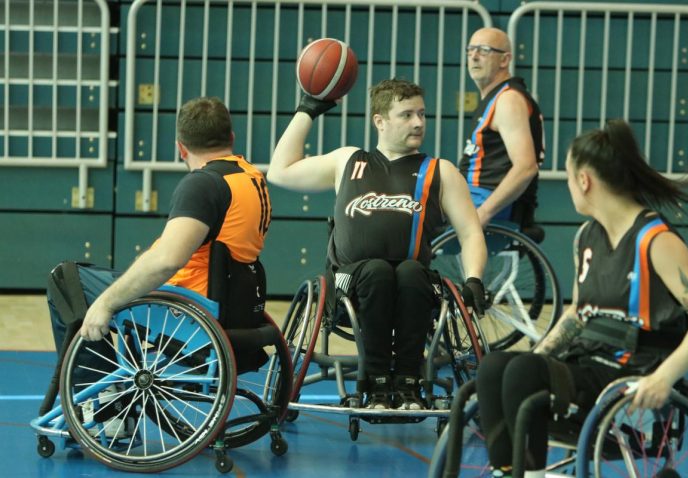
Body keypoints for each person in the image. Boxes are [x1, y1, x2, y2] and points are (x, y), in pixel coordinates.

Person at [475, 119, 688, 478]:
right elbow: (580, 314)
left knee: (524, 372)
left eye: (571, 178)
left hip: (631, 375)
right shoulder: (587, 237)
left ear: (584, 181)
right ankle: (507, 470)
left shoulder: (655, 239)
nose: (571, 186)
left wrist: (664, 377)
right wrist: (536, 355)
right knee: (496, 366)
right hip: (588, 365)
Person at [46, 97, 271, 429]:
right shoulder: (251, 177)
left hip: (187, 306)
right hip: (234, 303)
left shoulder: (205, 184)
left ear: (181, 148)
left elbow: (168, 261)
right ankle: (106, 397)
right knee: (113, 277)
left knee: (69, 279)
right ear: (232, 138)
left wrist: (106, 303)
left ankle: (103, 406)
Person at [267, 78, 488, 410]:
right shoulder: (348, 161)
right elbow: (280, 172)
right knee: (377, 272)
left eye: (422, 114)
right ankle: (377, 381)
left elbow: (470, 232)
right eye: (407, 115)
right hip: (348, 287)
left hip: (412, 287)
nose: (418, 123)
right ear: (380, 121)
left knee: (412, 272)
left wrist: (474, 279)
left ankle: (409, 382)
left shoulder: (439, 171)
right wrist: (307, 111)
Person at [460, 27, 544, 231]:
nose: (474, 56)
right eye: (470, 50)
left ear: (505, 60)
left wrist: (484, 212)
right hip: (471, 197)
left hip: (486, 201)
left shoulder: (508, 100)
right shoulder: (496, 98)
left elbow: (526, 167)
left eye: (484, 50)